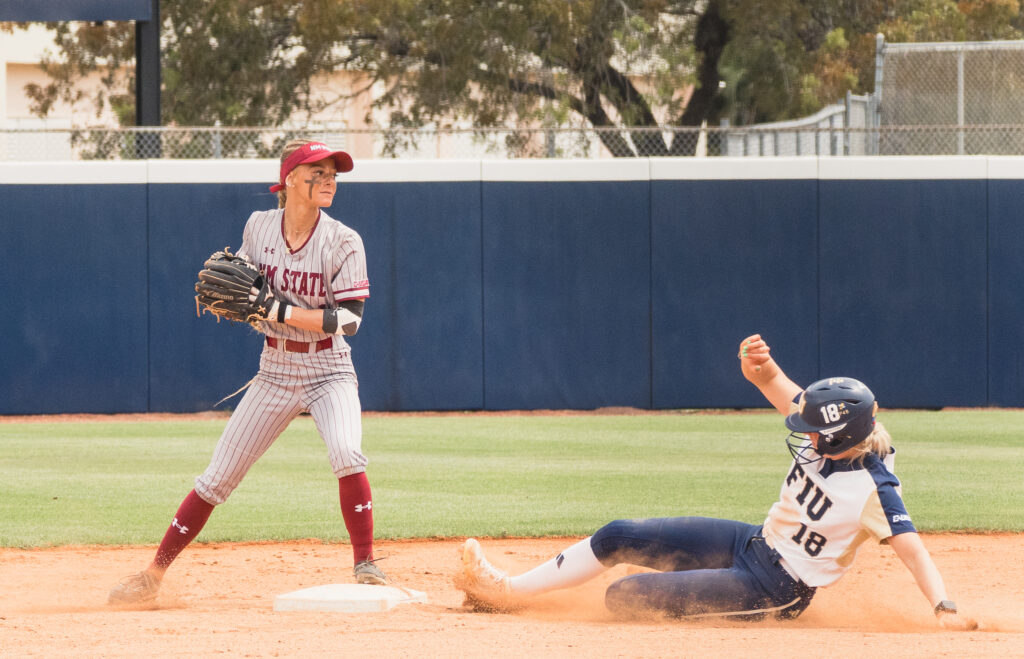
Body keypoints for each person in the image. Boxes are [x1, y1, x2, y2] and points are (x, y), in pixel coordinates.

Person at [457, 334, 976, 630]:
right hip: (752, 542)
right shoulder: (830, 433)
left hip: (777, 587)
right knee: (618, 534)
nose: (805, 433)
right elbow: (774, 383)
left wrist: (944, 607)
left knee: (626, 596)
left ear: (841, 437)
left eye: (815, 430)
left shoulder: (876, 491)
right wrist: (761, 367)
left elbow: (914, 552)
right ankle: (507, 591)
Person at [109, 140, 386, 604]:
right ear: (291, 179)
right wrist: (255, 311)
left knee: (346, 452)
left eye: (334, 172)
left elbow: (351, 320)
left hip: (329, 367)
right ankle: (152, 576)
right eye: (318, 172)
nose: (330, 179)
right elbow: (241, 295)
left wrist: (276, 307)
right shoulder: (259, 227)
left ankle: (365, 562)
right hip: (275, 369)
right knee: (216, 478)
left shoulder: (343, 240)